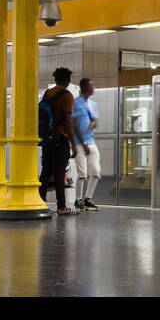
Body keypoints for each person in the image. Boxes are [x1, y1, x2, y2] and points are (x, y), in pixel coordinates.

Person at [39, 67, 77, 216]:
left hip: (47, 139)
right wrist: (73, 142)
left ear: (55, 80)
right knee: (59, 173)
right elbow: (68, 120)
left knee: (45, 172)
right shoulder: (67, 96)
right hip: (60, 139)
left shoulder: (47, 94)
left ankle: (41, 203)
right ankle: (61, 206)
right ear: (68, 81)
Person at [72, 77, 101, 211]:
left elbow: (95, 121)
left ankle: (88, 198)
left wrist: (93, 123)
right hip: (79, 143)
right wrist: (82, 143)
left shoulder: (93, 104)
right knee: (82, 173)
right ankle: (78, 199)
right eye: (91, 86)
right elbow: (74, 124)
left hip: (91, 141)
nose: (93, 88)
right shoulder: (76, 103)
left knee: (95, 171)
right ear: (84, 88)